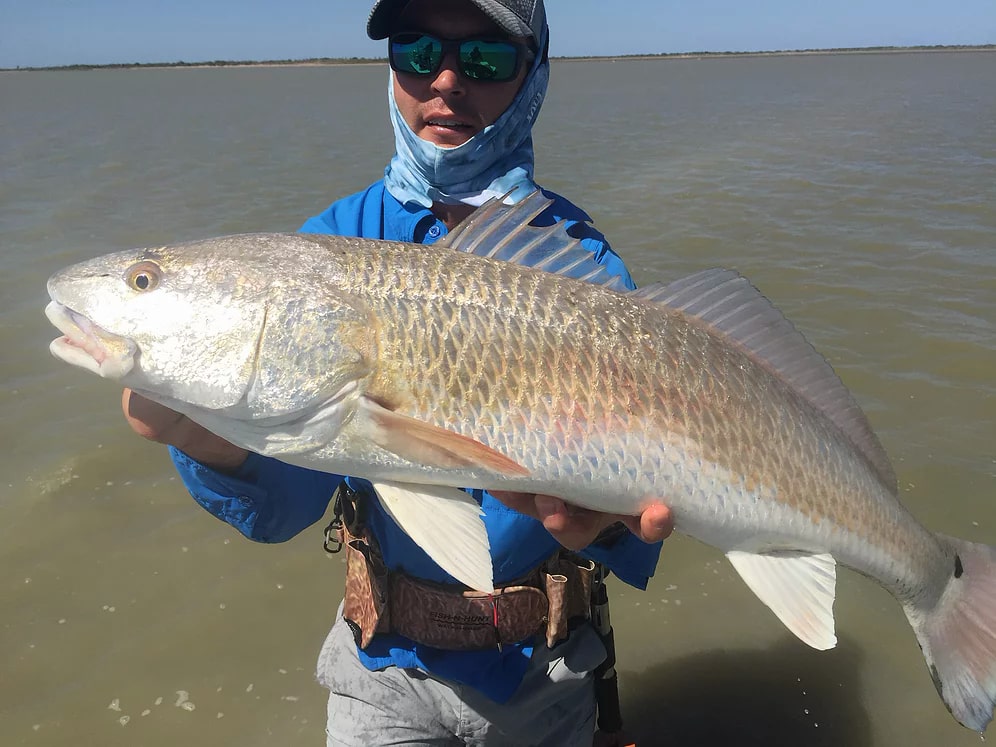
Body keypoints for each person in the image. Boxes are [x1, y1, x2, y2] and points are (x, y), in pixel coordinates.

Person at [123, 0, 673, 744]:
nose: (446, 81)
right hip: (381, 673)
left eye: (485, 58)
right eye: (417, 50)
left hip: (548, 675)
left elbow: (648, 507)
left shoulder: (583, 270)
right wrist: (209, 440)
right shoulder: (329, 247)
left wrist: (608, 522)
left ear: (534, 76)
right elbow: (287, 505)